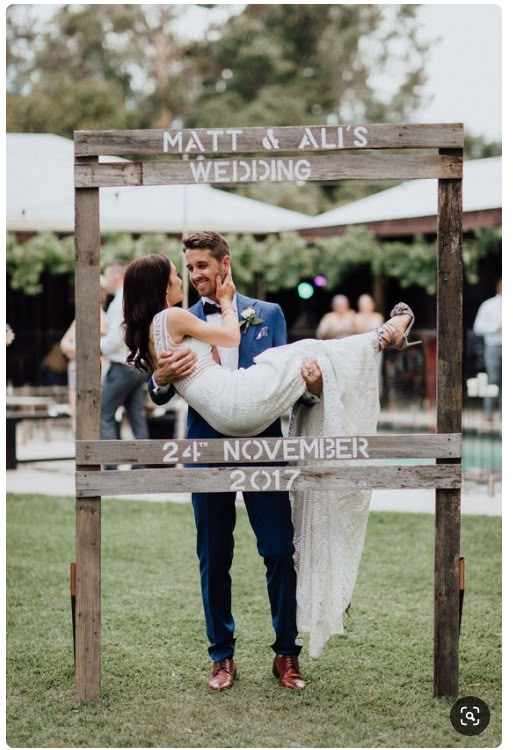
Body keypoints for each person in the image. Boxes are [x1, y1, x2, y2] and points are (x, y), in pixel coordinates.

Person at [123, 237, 416, 686]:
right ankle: (222, 656)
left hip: (264, 445)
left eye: (203, 266)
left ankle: (287, 653)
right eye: (188, 268)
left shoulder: (269, 314)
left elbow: (286, 384)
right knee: (213, 555)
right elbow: (159, 388)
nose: (196, 275)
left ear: (225, 264)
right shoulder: (180, 317)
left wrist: (316, 386)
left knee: (280, 550)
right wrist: (159, 379)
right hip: (207, 452)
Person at [100, 261, 149, 462]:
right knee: (137, 417)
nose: (105, 284)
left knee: (103, 415)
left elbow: (115, 339)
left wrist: (95, 346)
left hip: (122, 366)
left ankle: (111, 465)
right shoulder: (135, 299)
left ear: (115, 277)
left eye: (106, 277)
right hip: (139, 365)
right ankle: (143, 462)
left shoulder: (118, 302)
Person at [473, 278, 502, 418]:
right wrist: (496, 328)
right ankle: (488, 414)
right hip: (493, 346)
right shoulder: (488, 305)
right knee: (493, 379)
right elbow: (477, 328)